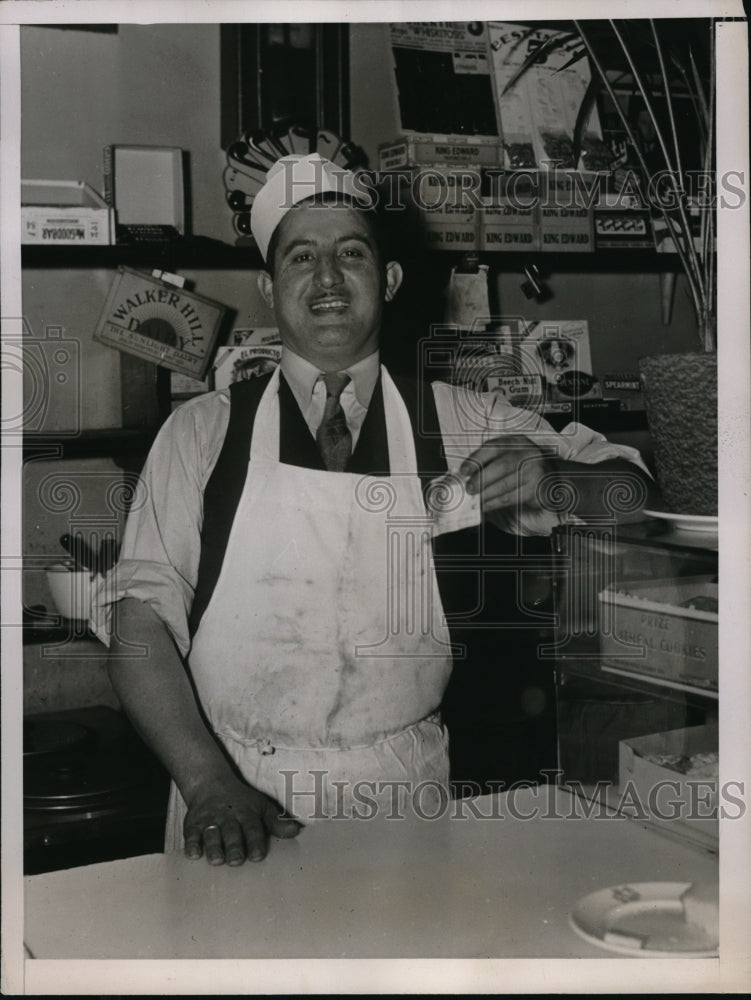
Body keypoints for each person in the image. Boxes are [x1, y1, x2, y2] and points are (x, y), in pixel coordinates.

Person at [94, 153, 658, 867]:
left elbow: (634, 494)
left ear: (389, 280)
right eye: (302, 256)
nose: (328, 277)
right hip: (231, 799)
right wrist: (206, 781)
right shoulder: (201, 433)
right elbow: (138, 622)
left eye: (351, 253)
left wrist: (554, 481)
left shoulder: (459, 420)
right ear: (270, 288)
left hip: (403, 791)